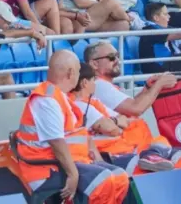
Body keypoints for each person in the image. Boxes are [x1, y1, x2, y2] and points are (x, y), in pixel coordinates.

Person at [14, 49, 131, 203]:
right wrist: (73, 174)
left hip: (70, 162)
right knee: (103, 181)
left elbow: (78, 134)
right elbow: (56, 142)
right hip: (46, 169)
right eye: (77, 71)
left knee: (120, 177)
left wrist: (95, 158)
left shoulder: (62, 97)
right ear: (70, 73)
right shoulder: (47, 100)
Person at [70, 62, 181, 173]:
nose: (96, 83)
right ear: (84, 83)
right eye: (93, 80)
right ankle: (152, 156)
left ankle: (152, 155)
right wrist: (118, 123)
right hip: (117, 154)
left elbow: (124, 118)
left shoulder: (94, 102)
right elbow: (114, 128)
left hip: (138, 147)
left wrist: (119, 121)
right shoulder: (79, 105)